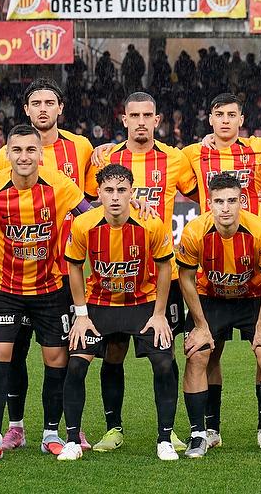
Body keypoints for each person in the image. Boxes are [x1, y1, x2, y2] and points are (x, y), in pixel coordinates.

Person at [0, 124, 96, 462]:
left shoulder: (60, 185)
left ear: (40, 153)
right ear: (7, 154)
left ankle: (51, 434)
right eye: (17, 150)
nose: (24, 157)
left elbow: (93, 218)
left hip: (49, 287)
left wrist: (134, 210)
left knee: (56, 359)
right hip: (4, 288)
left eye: (30, 150)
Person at [85, 92, 198, 453]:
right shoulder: (108, 158)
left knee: (164, 355)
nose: (141, 122)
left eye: (147, 115)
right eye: (134, 115)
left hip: (161, 275)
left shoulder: (174, 159)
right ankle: (113, 428)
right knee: (114, 352)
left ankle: (169, 431)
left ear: (157, 120)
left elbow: (203, 195)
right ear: (124, 120)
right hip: (116, 276)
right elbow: (87, 203)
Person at [0, 79, 94, 453]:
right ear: (26, 110)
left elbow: (91, 201)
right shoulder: (6, 154)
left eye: (50, 103)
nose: (43, 109)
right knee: (13, 352)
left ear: (60, 108)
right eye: (36, 103)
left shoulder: (81, 147)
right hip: (18, 271)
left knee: (62, 354)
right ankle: (16, 427)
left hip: (64, 269)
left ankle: (67, 428)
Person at [60, 164, 179, 461]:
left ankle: (165, 438)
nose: (115, 197)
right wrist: (81, 315)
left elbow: (165, 267)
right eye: (109, 190)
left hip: (142, 302)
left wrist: (160, 314)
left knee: (164, 362)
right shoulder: (83, 224)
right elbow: (74, 266)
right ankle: (76, 439)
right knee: (76, 364)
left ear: (131, 192)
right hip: (99, 304)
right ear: (99, 193)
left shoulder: (150, 223)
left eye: (122, 190)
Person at [180, 93, 261, 444]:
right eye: (218, 114)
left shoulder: (260, 148)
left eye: (231, 115)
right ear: (210, 119)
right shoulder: (193, 153)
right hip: (211, 272)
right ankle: (209, 430)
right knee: (208, 352)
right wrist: (104, 150)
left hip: (253, 268)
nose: (225, 120)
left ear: (241, 119)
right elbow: (153, 159)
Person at [177, 174, 261, 458]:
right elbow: (186, 278)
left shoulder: (260, 230)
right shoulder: (194, 232)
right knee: (199, 354)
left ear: (242, 202)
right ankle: (202, 433)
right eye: (219, 201)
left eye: (231, 200)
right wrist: (200, 325)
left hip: (253, 298)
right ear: (209, 203)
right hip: (211, 297)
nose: (225, 208)